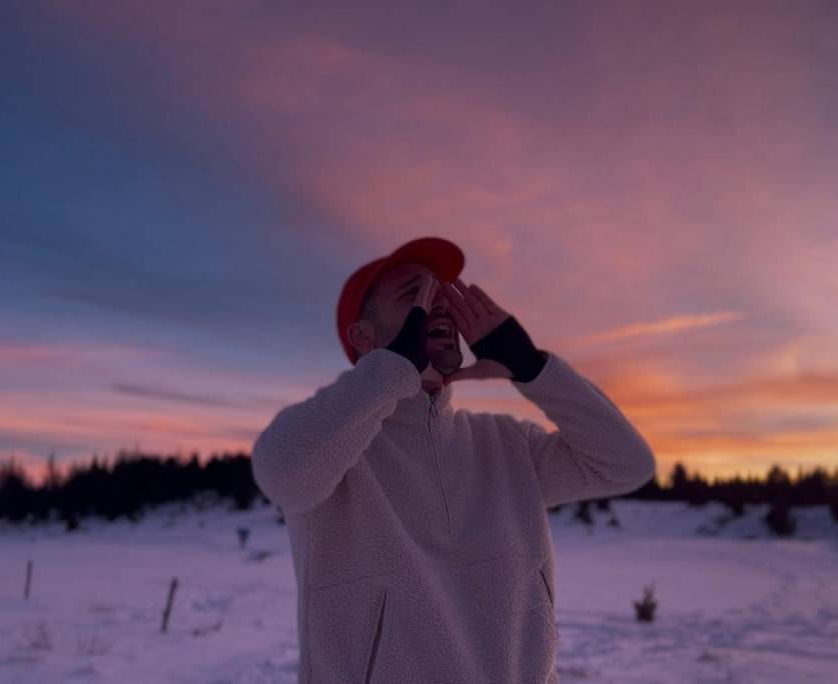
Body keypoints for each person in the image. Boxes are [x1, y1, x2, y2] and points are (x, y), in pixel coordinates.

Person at [251, 236, 657, 683]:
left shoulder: (507, 444)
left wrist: (530, 365)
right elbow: (281, 472)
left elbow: (626, 463)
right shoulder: (334, 450)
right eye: (415, 297)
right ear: (364, 337)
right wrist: (393, 368)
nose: (438, 306)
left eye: (443, 296)